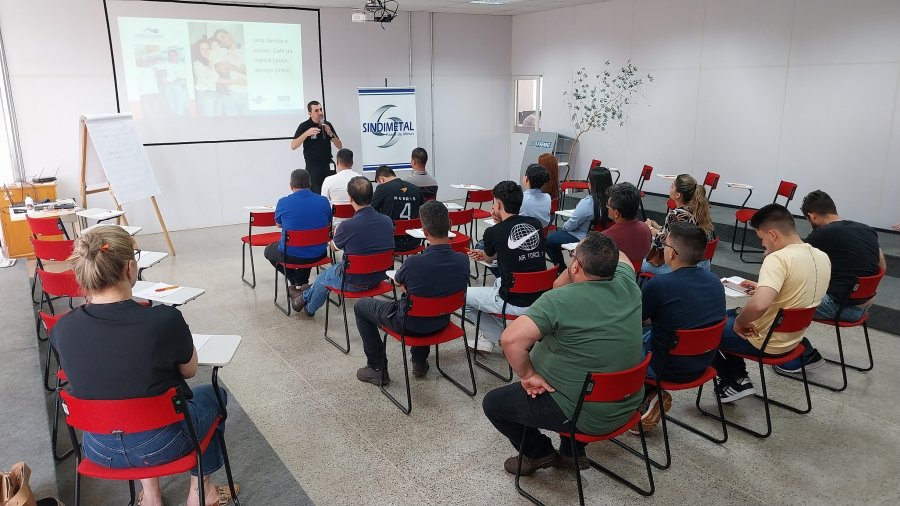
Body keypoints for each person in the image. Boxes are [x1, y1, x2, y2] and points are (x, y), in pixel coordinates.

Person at [51, 226, 237, 506]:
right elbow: (190, 370)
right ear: (129, 267)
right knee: (213, 396)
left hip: (98, 447)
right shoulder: (164, 320)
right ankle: (202, 492)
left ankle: (151, 496)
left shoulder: (62, 328)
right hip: (164, 443)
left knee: (126, 399)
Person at [482, 233, 643, 475]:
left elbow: (511, 340)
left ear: (576, 265)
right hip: (626, 403)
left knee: (493, 403)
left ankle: (538, 453)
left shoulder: (559, 299)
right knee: (585, 368)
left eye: (572, 258)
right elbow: (620, 255)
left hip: (583, 413)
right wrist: (579, 264)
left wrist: (528, 375)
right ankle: (572, 453)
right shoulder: (627, 282)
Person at [714, 204, 830, 403]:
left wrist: (740, 323)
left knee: (704, 327)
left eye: (762, 239)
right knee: (728, 314)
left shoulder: (777, 259)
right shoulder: (821, 256)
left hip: (765, 341)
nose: (763, 245)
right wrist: (762, 286)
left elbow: (759, 306)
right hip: (793, 339)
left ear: (772, 234)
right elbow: (798, 290)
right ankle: (738, 377)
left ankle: (735, 380)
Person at [354, 201, 470, 383]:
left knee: (362, 307)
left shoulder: (414, 263)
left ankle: (377, 368)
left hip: (409, 326)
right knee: (425, 299)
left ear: (424, 232)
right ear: (450, 225)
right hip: (442, 321)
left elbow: (399, 280)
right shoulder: (463, 260)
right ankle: (419, 361)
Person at [774, 190, 887, 373]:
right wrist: (869, 290)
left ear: (812, 216)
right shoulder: (867, 230)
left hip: (840, 307)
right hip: (863, 305)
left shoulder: (821, 234)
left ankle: (805, 355)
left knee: (776, 306)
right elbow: (882, 266)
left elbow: (796, 267)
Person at [635, 222, 725, 432]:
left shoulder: (659, 284)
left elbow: (636, 320)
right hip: (703, 363)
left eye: (665, 245)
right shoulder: (715, 282)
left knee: (624, 338)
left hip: (664, 369)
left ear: (672, 253)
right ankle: (651, 394)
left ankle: (646, 395)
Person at [464, 181, 546, 354]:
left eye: (494, 202)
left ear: (498, 205)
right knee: (499, 281)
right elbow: (496, 253)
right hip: (539, 297)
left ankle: (504, 337)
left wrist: (495, 228)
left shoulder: (494, 231)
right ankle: (494, 339)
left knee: (461, 298)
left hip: (513, 299)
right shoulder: (536, 224)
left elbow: (488, 256)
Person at [294, 177, 394, 317]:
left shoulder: (347, 226)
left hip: (354, 281)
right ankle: (304, 296)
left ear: (350, 198)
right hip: (378, 277)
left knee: (323, 278)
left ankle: (308, 307)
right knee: (332, 271)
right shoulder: (387, 221)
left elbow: (334, 248)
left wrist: (333, 237)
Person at [264, 169, 332, 311]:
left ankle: (295, 282)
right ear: (310, 184)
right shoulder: (324, 201)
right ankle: (301, 283)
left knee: (269, 250)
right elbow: (328, 221)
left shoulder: (284, 202)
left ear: (291, 185)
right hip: (319, 253)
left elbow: (279, 224)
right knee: (306, 247)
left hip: (292, 255)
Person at [643, 174, 715, 275]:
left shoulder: (677, 214)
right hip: (702, 264)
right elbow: (682, 233)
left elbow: (671, 242)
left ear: (678, 195)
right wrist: (659, 227)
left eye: (672, 186)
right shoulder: (696, 210)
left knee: (636, 263)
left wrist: (649, 228)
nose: (669, 188)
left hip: (684, 267)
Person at [545, 168, 613, 273]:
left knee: (549, 241)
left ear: (592, 184)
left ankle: (562, 269)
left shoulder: (587, 203)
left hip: (583, 237)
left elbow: (571, 225)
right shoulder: (613, 202)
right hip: (604, 236)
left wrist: (564, 228)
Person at [291, 100, 343, 194]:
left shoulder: (327, 124)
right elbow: (293, 145)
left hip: (328, 167)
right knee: (316, 194)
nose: (320, 113)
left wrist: (331, 134)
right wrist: (306, 133)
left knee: (332, 194)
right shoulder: (304, 126)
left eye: (321, 109)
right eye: (316, 111)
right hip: (313, 168)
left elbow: (339, 146)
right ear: (309, 113)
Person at [372, 165, 423, 253]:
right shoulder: (416, 189)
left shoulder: (382, 188)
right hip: (414, 241)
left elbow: (370, 210)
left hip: (389, 242)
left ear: (381, 179)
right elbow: (423, 211)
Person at [602, 182, 653, 268]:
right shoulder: (646, 228)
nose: (607, 207)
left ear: (616, 213)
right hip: (636, 275)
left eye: (608, 206)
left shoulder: (605, 238)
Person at [210, 28, 247, 116]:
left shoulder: (246, 48)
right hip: (229, 95)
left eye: (223, 37)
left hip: (246, 94)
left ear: (229, 35)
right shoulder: (222, 52)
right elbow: (220, 68)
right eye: (219, 40)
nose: (222, 41)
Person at [320, 149, 358, 228]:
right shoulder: (361, 179)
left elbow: (324, 205)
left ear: (337, 163)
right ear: (352, 163)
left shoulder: (328, 180)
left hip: (337, 227)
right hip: (358, 225)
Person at [191, 38, 222, 117]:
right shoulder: (197, 64)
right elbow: (211, 79)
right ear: (198, 51)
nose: (206, 51)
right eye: (202, 49)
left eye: (208, 48)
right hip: (205, 94)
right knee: (210, 120)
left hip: (216, 92)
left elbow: (216, 76)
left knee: (218, 118)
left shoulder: (210, 60)